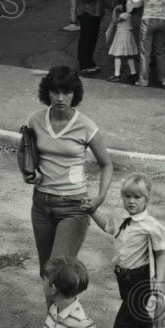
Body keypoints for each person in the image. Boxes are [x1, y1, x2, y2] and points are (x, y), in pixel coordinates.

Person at [24, 66, 114, 280]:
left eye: (67, 92)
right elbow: (28, 159)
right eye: (55, 92)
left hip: (73, 207)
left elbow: (107, 164)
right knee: (46, 273)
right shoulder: (34, 121)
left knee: (58, 272)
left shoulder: (85, 125)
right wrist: (31, 175)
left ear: (75, 94)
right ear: (48, 93)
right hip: (41, 204)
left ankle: (65, 314)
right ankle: (54, 315)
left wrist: (99, 198)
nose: (61, 98)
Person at [87, 174, 165, 328]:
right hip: (122, 278)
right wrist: (91, 211)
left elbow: (161, 254)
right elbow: (108, 227)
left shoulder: (151, 226)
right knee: (138, 319)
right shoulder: (119, 216)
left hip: (141, 281)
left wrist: (158, 282)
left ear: (147, 199)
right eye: (127, 196)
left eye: (137, 197)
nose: (131, 201)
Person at [113, 0, 165, 87]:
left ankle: (143, 80)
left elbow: (135, 0)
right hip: (162, 21)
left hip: (148, 21)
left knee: (145, 52)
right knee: (161, 51)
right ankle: (164, 79)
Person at [76, 0, 109, 75]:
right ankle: (84, 64)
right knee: (86, 38)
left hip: (95, 12)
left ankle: (90, 62)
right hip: (87, 12)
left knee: (93, 38)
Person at [103, 3, 138, 83]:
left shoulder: (124, 15)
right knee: (129, 55)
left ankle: (117, 74)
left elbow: (114, 21)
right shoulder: (128, 14)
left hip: (122, 35)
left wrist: (114, 10)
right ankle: (133, 73)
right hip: (127, 34)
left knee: (117, 55)